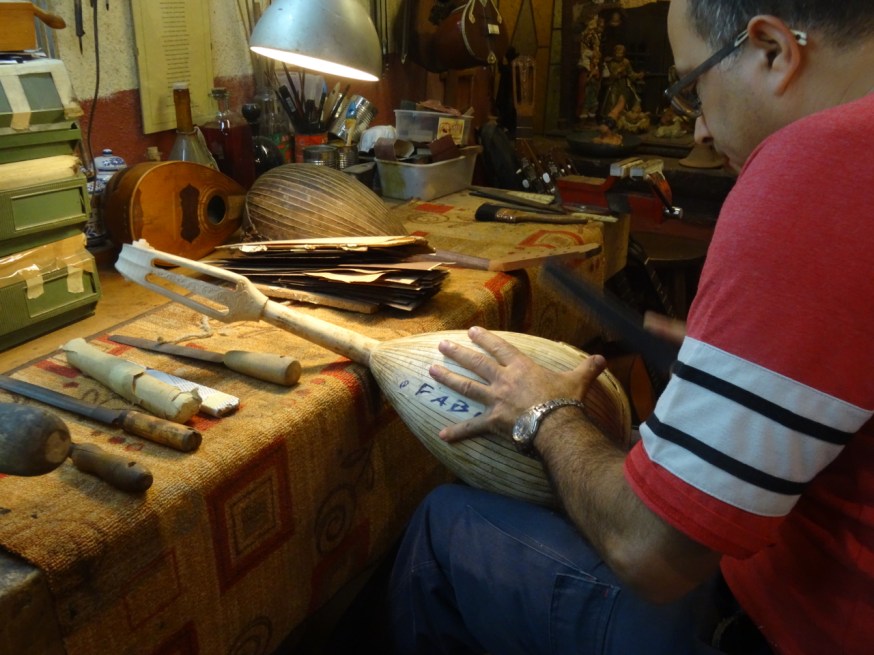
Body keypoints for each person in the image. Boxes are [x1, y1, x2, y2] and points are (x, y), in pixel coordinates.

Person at [388, 0, 874, 653]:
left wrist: (544, 412)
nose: (699, 128)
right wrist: (742, 377)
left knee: (444, 524)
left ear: (772, 51)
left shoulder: (820, 167)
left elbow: (652, 552)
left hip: (777, 626)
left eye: (690, 84)